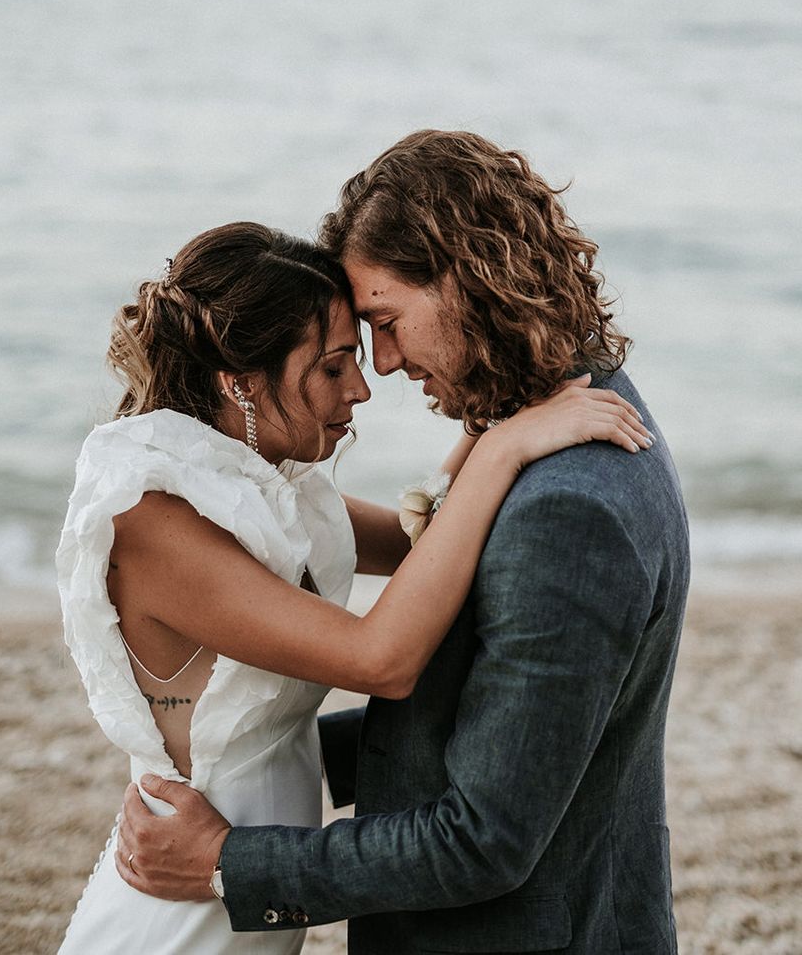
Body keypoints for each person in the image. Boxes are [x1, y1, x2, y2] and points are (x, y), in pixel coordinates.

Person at [114, 133, 690, 954]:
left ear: (469, 277)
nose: (381, 365)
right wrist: (264, 761)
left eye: (385, 322)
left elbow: (481, 839)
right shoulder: (573, 414)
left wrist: (228, 861)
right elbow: (489, 717)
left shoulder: (568, 505)